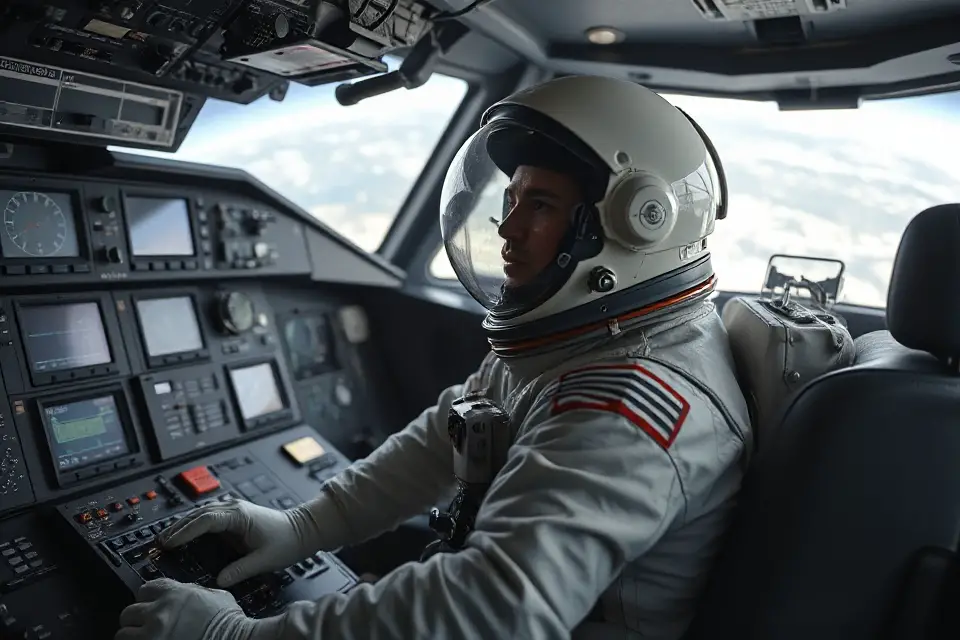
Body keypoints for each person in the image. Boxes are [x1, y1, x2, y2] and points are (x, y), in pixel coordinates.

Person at [114, 74, 752, 640]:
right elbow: (451, 432)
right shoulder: (586, 338)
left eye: (543, 205)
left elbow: (496, 612)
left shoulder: (626, 404)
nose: (508, 228)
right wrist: (305, 526)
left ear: (631, 225)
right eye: (514, 197)